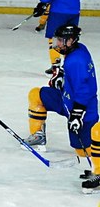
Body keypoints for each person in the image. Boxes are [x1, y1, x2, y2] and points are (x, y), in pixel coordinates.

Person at [23, 24, 100, 189]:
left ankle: (98, 171)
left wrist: (77, 114)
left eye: (60, 41)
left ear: (71, 41)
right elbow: (74, 80)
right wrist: (61, 79)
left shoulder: (76, 61)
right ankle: (38, 135)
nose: (56, 44)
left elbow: (85, 90)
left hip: (82, 108)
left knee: (84, 149)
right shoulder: (76, 51)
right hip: (65, 99)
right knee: (36, 95)